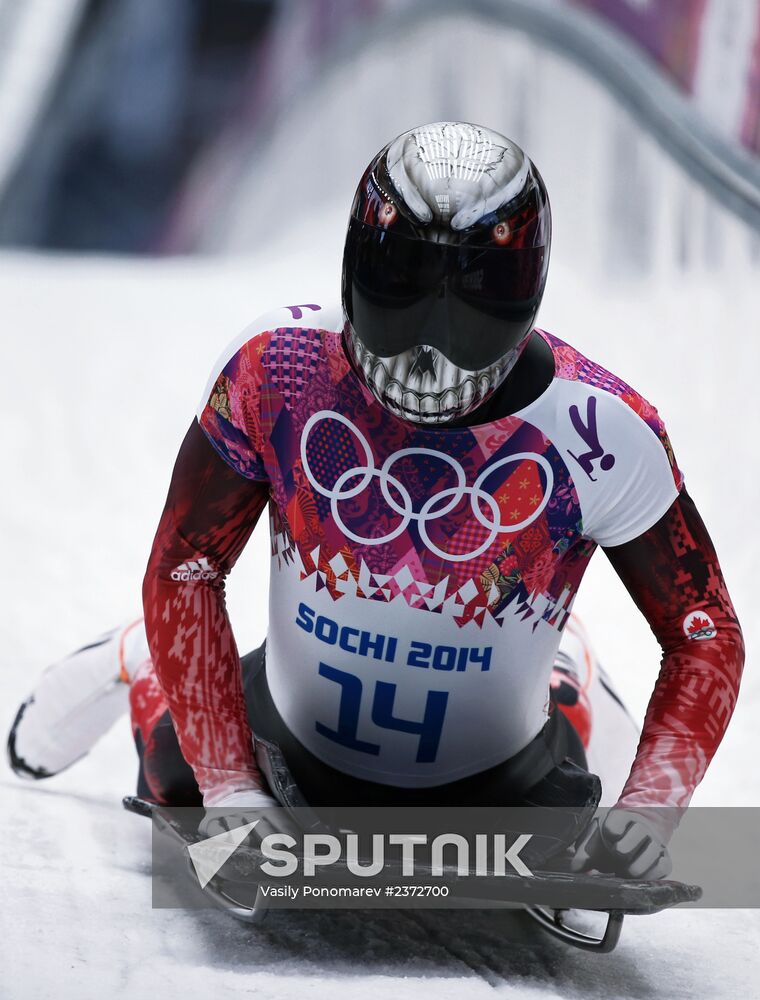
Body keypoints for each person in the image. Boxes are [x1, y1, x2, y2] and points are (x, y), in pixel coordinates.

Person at [8, 122, 744, 879]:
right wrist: (229, 781)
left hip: (499, 776)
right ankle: (144, 655)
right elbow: (186, 566)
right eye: (403, 285)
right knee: (179, 778)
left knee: (575, 814)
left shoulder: (605, 430)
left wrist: (650, 809)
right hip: (288, 737)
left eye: (471, 299)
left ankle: (566, 672)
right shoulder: (275, 369)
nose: (429, 349)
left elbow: (703, 631)